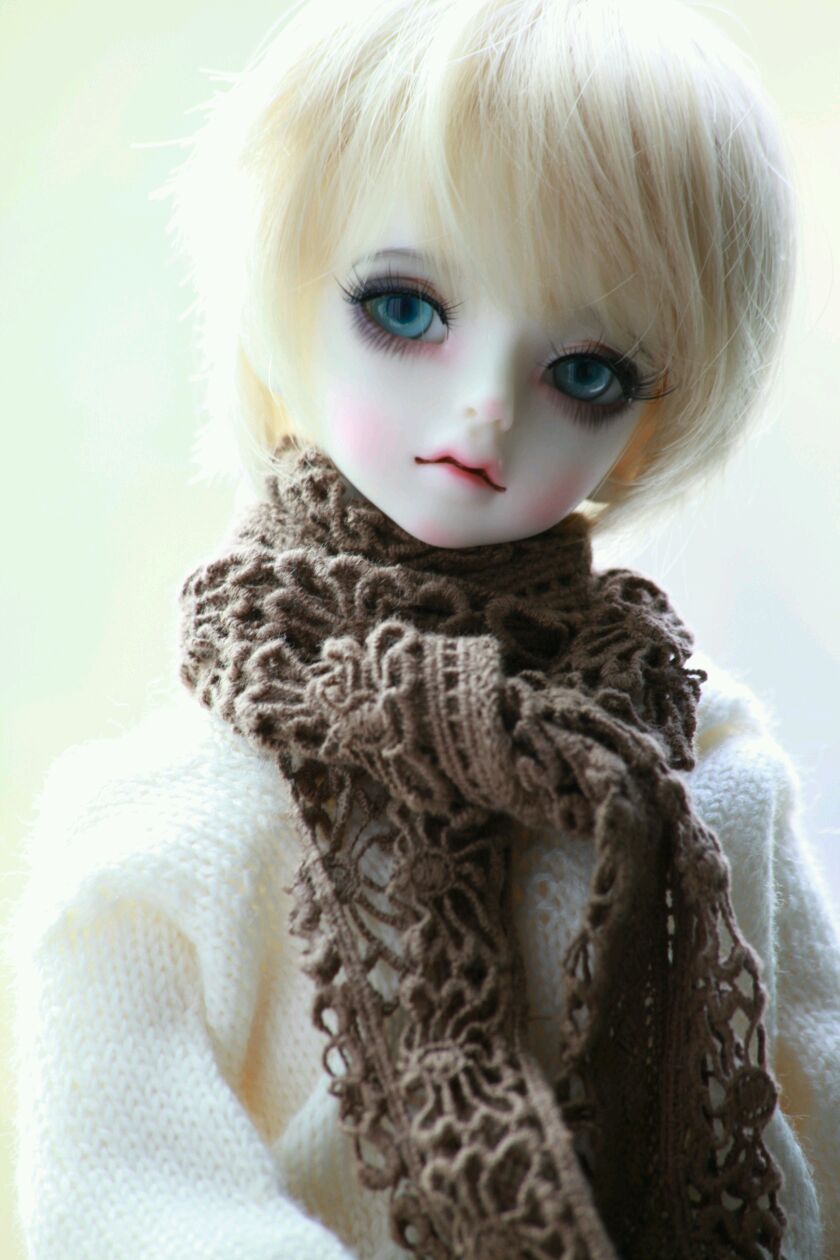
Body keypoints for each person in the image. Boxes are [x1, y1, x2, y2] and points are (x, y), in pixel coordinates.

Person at [10, 1, 840, 1257]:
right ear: (286, 284)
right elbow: (121, 1201)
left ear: (652, 421)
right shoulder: (169, 825)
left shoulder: (704, 771)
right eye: (403, 309)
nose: (486, 407)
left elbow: (814, 1106)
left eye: (587, 372)